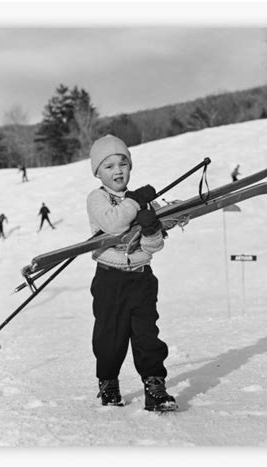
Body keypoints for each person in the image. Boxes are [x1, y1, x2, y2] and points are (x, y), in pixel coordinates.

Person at [86, 134, 177, 412]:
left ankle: (154, 385)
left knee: (147, 334)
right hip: (109, 278)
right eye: (109, 166)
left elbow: (154, 245)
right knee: (109, 336)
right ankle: (108, 382)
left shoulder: (143, 202)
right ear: (98, 172)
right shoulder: (97, 198)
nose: (118, 171)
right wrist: (136, 203)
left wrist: (151, 229)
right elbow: (113, 225)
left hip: (141, 277)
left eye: (123, 164)